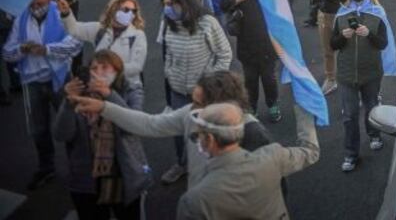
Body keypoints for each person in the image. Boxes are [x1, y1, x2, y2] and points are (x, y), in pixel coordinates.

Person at [70, 71, 279, 192]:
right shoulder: (192, 115)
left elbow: (273, 191)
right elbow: (150, 124)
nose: (192, 109)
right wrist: (103, 108)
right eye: (193, 101)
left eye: (199, 104)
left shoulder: (253, 134)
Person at [174, 100, 319, 219]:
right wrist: (305, 110)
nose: (196, 140)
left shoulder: (194, 201)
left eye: (198, 136)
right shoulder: (273, 156)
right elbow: (311, 152)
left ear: (210, 140)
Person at [54, 51, 151, 220]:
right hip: (86, 179)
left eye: (104, 67)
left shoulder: (131, 90)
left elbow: (134, 126)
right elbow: (61, 135)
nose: (97, 72)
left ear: (117, 71)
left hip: (123, 174)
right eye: (93, 68)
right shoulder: (79, 93)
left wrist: (109, 94)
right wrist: (68, 103)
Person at [2, 0, 83, 189]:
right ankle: (47, 168)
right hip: (32, 81)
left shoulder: (62, 12)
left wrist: (47, 50)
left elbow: (76, 44)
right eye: (32, 4)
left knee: (71, 126)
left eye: (40, 4)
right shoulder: (21, 18)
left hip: (60, 80)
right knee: (38, 130)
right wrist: (22, 49)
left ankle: (78, 167)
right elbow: (7, 53)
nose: (36, 8)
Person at [158, 0, 232, 184]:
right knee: (178, 131)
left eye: (171, 4)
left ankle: (209, 167)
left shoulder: (207, 23)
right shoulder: (168, 24)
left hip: (203, 93)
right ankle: (182, 164)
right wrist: (169, 72)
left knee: (204, 132)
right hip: (177, 90)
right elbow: (167, 53)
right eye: (165, 4)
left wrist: (209, 82)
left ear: (184, 3)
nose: (167, 8)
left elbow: (224, 54)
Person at [330, 0, 396, 172]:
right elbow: (333, 44)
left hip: (371, 72)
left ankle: (374, 135)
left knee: (371, 107)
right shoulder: (341, 14)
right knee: (349, 115)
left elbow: (383, 43)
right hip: (346, 73)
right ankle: (351, 154)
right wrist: (342, 37)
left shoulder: (377, 13)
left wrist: (369, 34)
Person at [314, 0, 385, 95]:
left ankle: (368, 85)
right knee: (329, 49)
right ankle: (331, 78)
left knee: (359, 48)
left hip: (356, 14)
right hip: (329, 13)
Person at [57, 0, 147, 105]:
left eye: (134, 11)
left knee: (130, 115)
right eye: (126, 10)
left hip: (128, 89)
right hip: (101, 88)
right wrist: (66, 13)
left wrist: (111, 70)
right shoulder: (100, 30)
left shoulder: (138, 35)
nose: (130, 14)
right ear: (114, 9)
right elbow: (74, 30)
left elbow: (137, 67)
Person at [221, 0, 282, 123]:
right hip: (246, 42)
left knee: (269, 79)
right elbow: (223, 5)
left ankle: (272, 104)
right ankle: (252, 107)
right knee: (250, 80)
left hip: (268, 41)